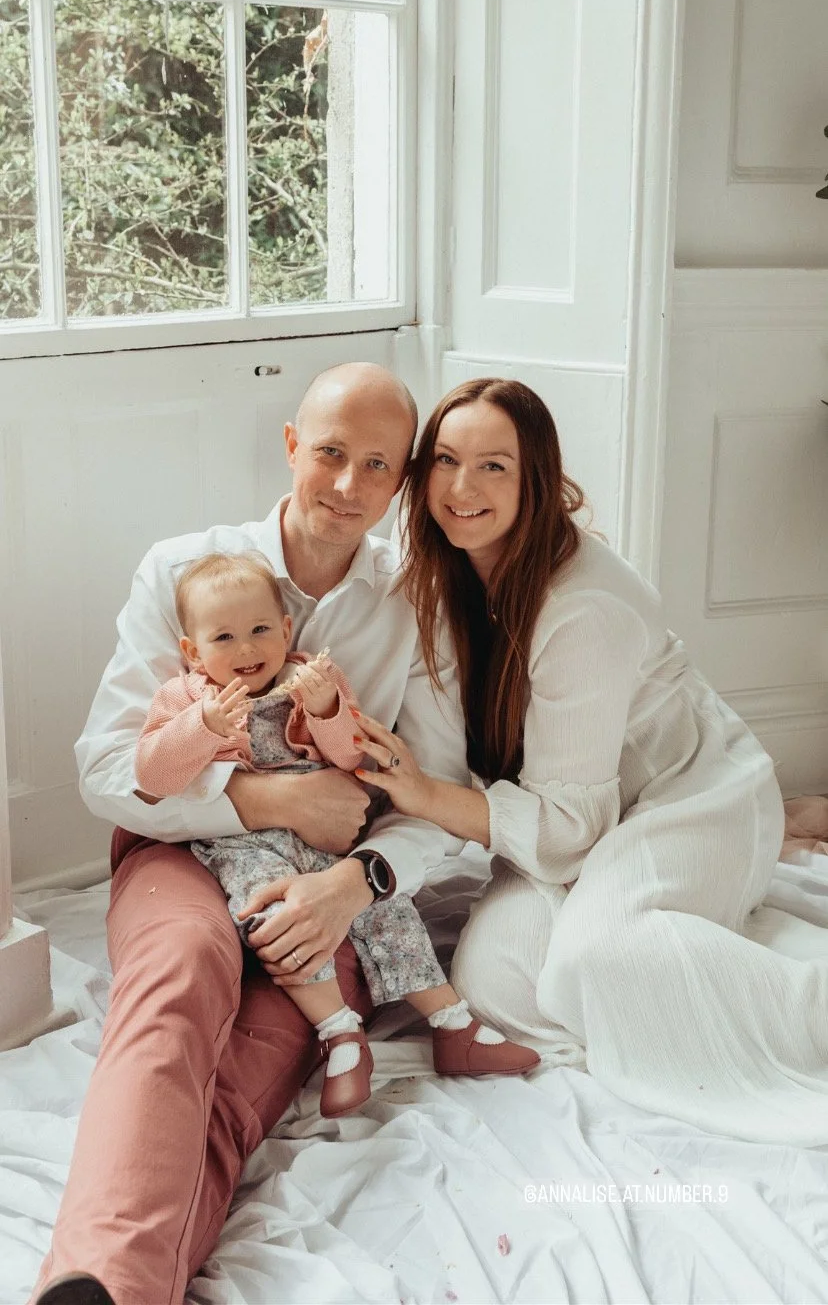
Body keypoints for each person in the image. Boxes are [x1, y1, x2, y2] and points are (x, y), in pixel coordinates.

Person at [31, 362, 517, 1305]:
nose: (347, 485)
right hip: (179, 852)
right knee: (178, 983)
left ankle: (107, 1286)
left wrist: (353, 885)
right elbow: (106, 771)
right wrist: (269, 803)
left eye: (378, 465)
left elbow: (442, 792)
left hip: (329, 879)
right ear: (292, 447)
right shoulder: (183, 570)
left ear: (402, 481)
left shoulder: (416, 604)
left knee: (249, 1068)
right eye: (330, 452)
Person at [352, 376, 828, 1148]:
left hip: (687, 799)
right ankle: (688, 948)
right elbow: (436, 770)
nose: (462, 487)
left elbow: (552, 823)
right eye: (445, 460)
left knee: (597, 955)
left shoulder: (584, 606)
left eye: (494, 466)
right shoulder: (437, 582)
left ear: (535, 479)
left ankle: (795, 999)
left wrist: (426, 795)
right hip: (563, 812)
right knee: (492, 981)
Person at [135, 548, 538, 1120]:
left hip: (328, 834)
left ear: (286, 629)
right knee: (272, 918)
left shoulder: (308, 678)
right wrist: (200, 731)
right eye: (223, 639)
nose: (246, 649)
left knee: (382, 906)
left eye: (258, 630)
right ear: (193, 652)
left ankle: (452, 1023)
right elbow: (152, 774)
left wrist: (326, 707)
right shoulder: (188, 699)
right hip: (246, 842)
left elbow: (353, 755)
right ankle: (340, 1033)